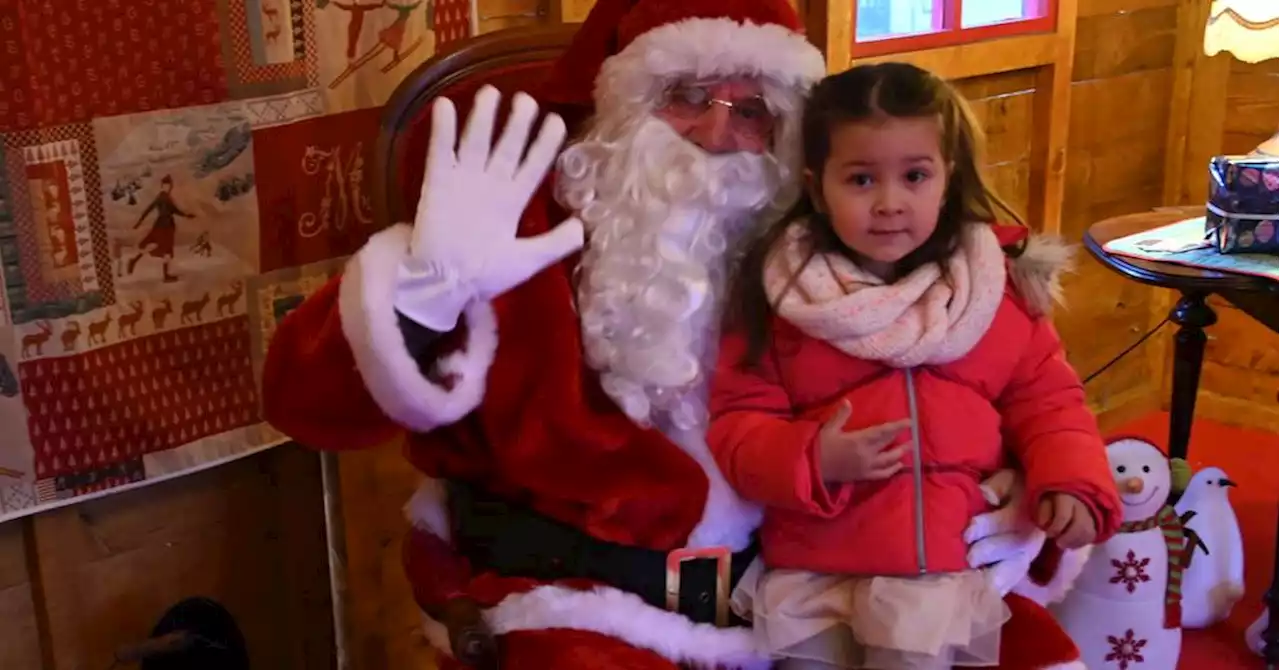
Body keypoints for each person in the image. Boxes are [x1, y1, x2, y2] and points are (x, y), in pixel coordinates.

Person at [261, 1, 1093, 668]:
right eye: (686, 98)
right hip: (583, 612)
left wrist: (1014, 486)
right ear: (623, 112)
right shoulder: (521, 239)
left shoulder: (850, 264)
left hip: (822, 588)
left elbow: (1007, 390)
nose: (717, 135)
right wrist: (423, 289)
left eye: (753, 110)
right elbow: (306, 405)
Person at [707, 64, 1123, 669]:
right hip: (813, 571)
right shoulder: (783, 298)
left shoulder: (993, 289)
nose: (889, 203)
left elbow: (1049, 400)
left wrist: (1072, 481)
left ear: (947, 180)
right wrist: (811, 458)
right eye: (861, 179)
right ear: (818, 189)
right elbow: (739, 421)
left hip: (935, 577)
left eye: (914, 176)